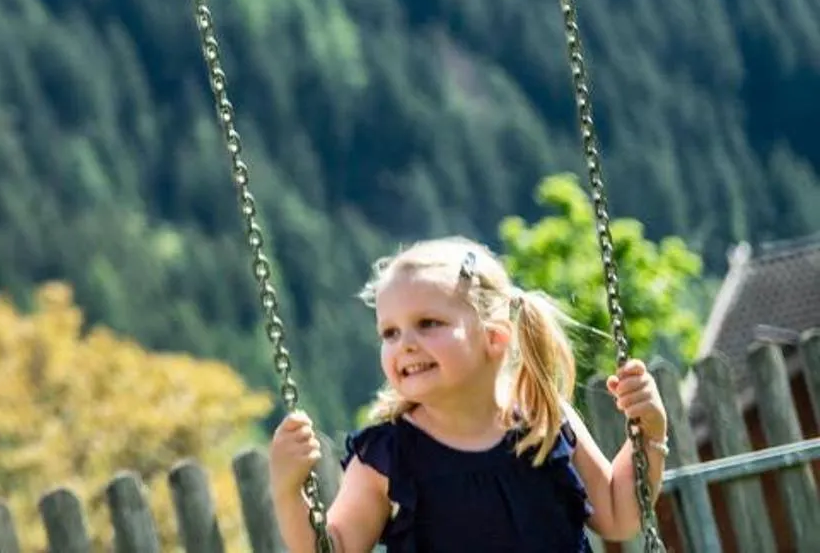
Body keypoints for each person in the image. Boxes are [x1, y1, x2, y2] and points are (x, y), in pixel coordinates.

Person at [269, 237, 669, 553]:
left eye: (428, 323)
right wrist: (289, 492)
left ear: (493, 338)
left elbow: (618, 514)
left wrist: (649, 433)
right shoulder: (388, 457)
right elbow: (335, 547)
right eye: (390, 332)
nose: (405, 344)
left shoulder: (545, 420)